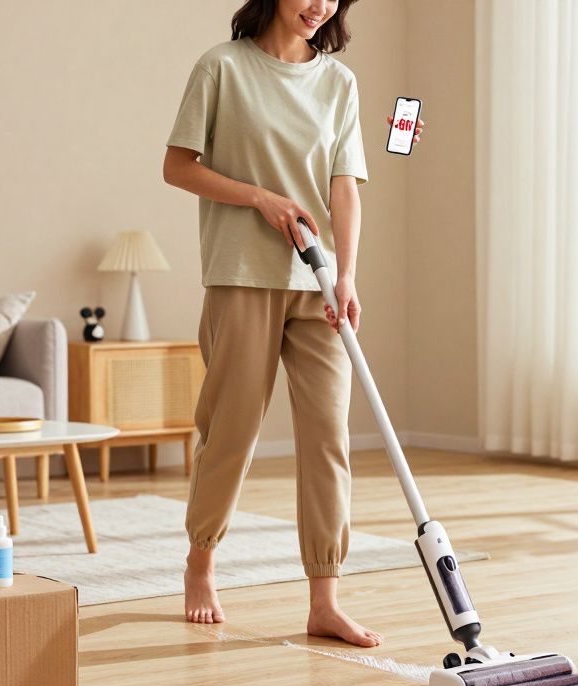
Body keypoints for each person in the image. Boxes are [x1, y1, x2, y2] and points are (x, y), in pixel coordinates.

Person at [163, 0, 424, 647]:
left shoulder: (339, 81)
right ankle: (201, 559)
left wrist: (348, 272)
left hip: (318, 281)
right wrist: (260, 198)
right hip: (243, 273)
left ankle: (325, 600)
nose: (320, 5)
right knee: (232, 430)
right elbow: (178, 166)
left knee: (328, 435)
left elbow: (345, 187)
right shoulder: (222, 68)